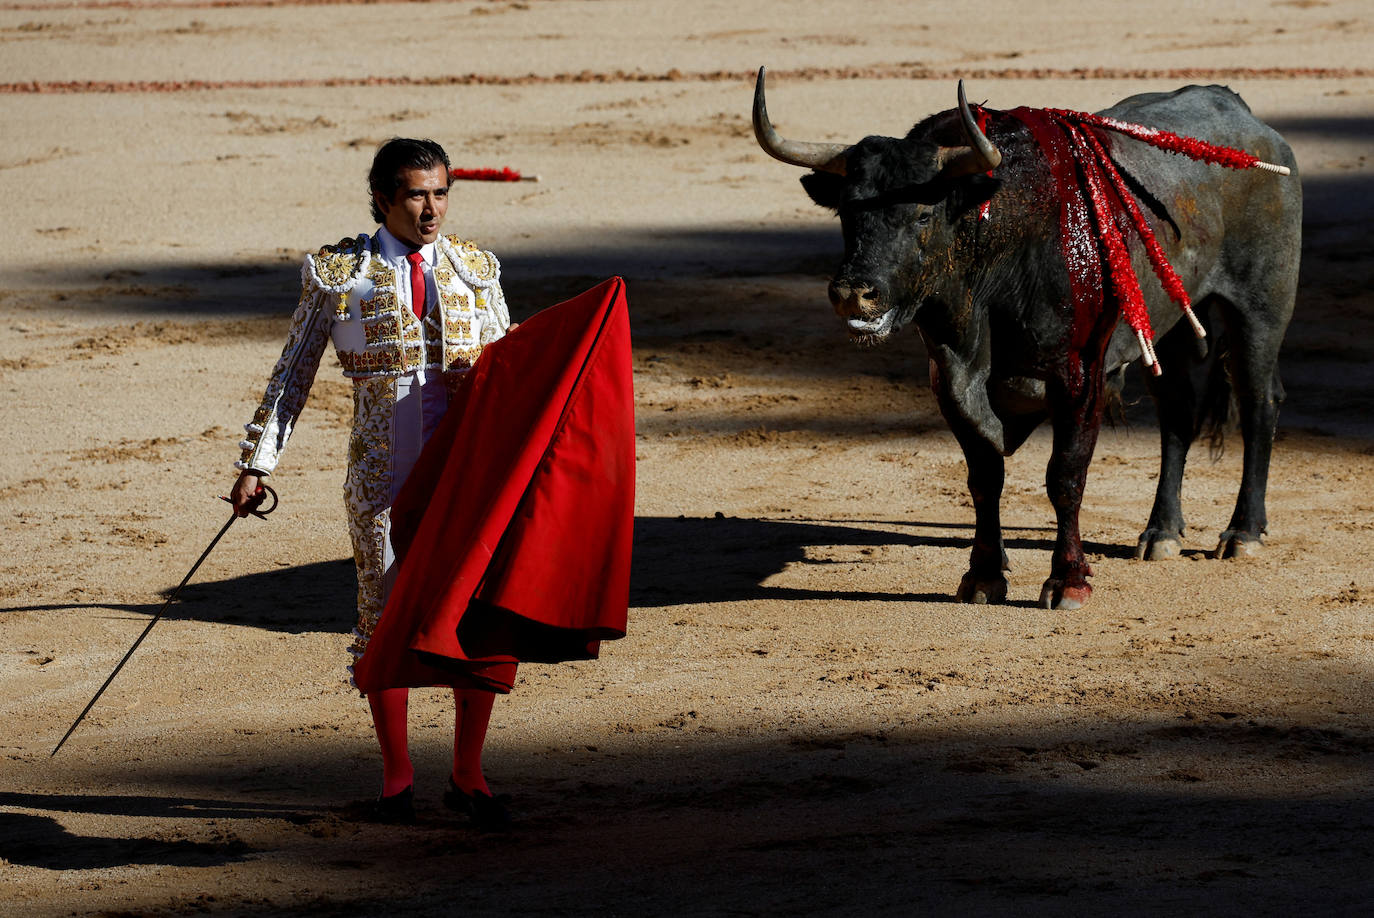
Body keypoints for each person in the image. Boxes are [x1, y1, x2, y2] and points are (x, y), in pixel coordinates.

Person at [230, 138, 514, 828]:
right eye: (417, 194)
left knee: (474, 615)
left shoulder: (476, 269)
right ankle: (397, 778)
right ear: (384, 198)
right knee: (382, 621)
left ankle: (469, 773)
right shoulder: (338, 274)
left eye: (441, 193)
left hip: (462, 472)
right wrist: (256, 463)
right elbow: (293, 373)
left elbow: (514, 367)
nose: (432, 208)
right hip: (381, 476)